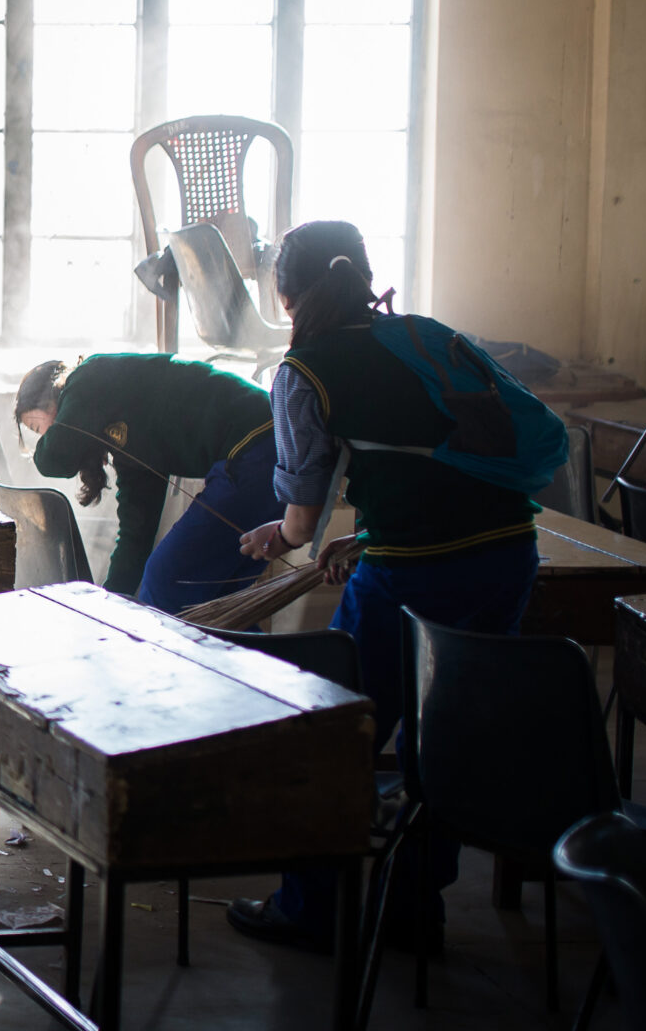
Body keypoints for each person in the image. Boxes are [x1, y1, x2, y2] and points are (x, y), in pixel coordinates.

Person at [225, 220, 556, 953]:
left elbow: (298, 520)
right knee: (442, 736)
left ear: (284, 295)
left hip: (415, 574)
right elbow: (445, 473)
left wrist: (271, 538)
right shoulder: (424, 334)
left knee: (331, 724)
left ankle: (311, 906)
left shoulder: (305, 370)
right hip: (507, 557)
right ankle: (415, 905)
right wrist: (369, 535)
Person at [13, 354, 283, 613]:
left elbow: (53, 457)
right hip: (261, 446)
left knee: (165, 580)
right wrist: (112, 601)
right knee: (217, 603)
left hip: (253, 443)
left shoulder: (88, 377)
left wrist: (40, 450)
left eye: (38, 430)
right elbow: (136, 531)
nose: (44, 438)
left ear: (52, 401)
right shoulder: (127, 436)